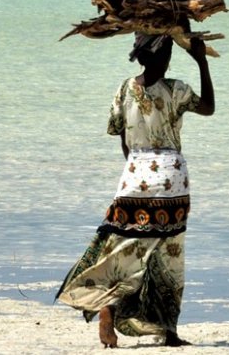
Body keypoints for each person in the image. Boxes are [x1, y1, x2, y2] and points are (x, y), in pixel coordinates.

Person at [57, 34, 214, 348]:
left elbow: (124, 141)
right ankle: (168, 332)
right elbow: (208, 108)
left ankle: (108, 306)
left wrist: (137, 169)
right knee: (169, 257)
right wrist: (201, 60)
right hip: (172, 181)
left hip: (134, 176)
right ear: (165, 58)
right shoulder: (176, 89)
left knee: (120, 250)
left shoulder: (124, 88)